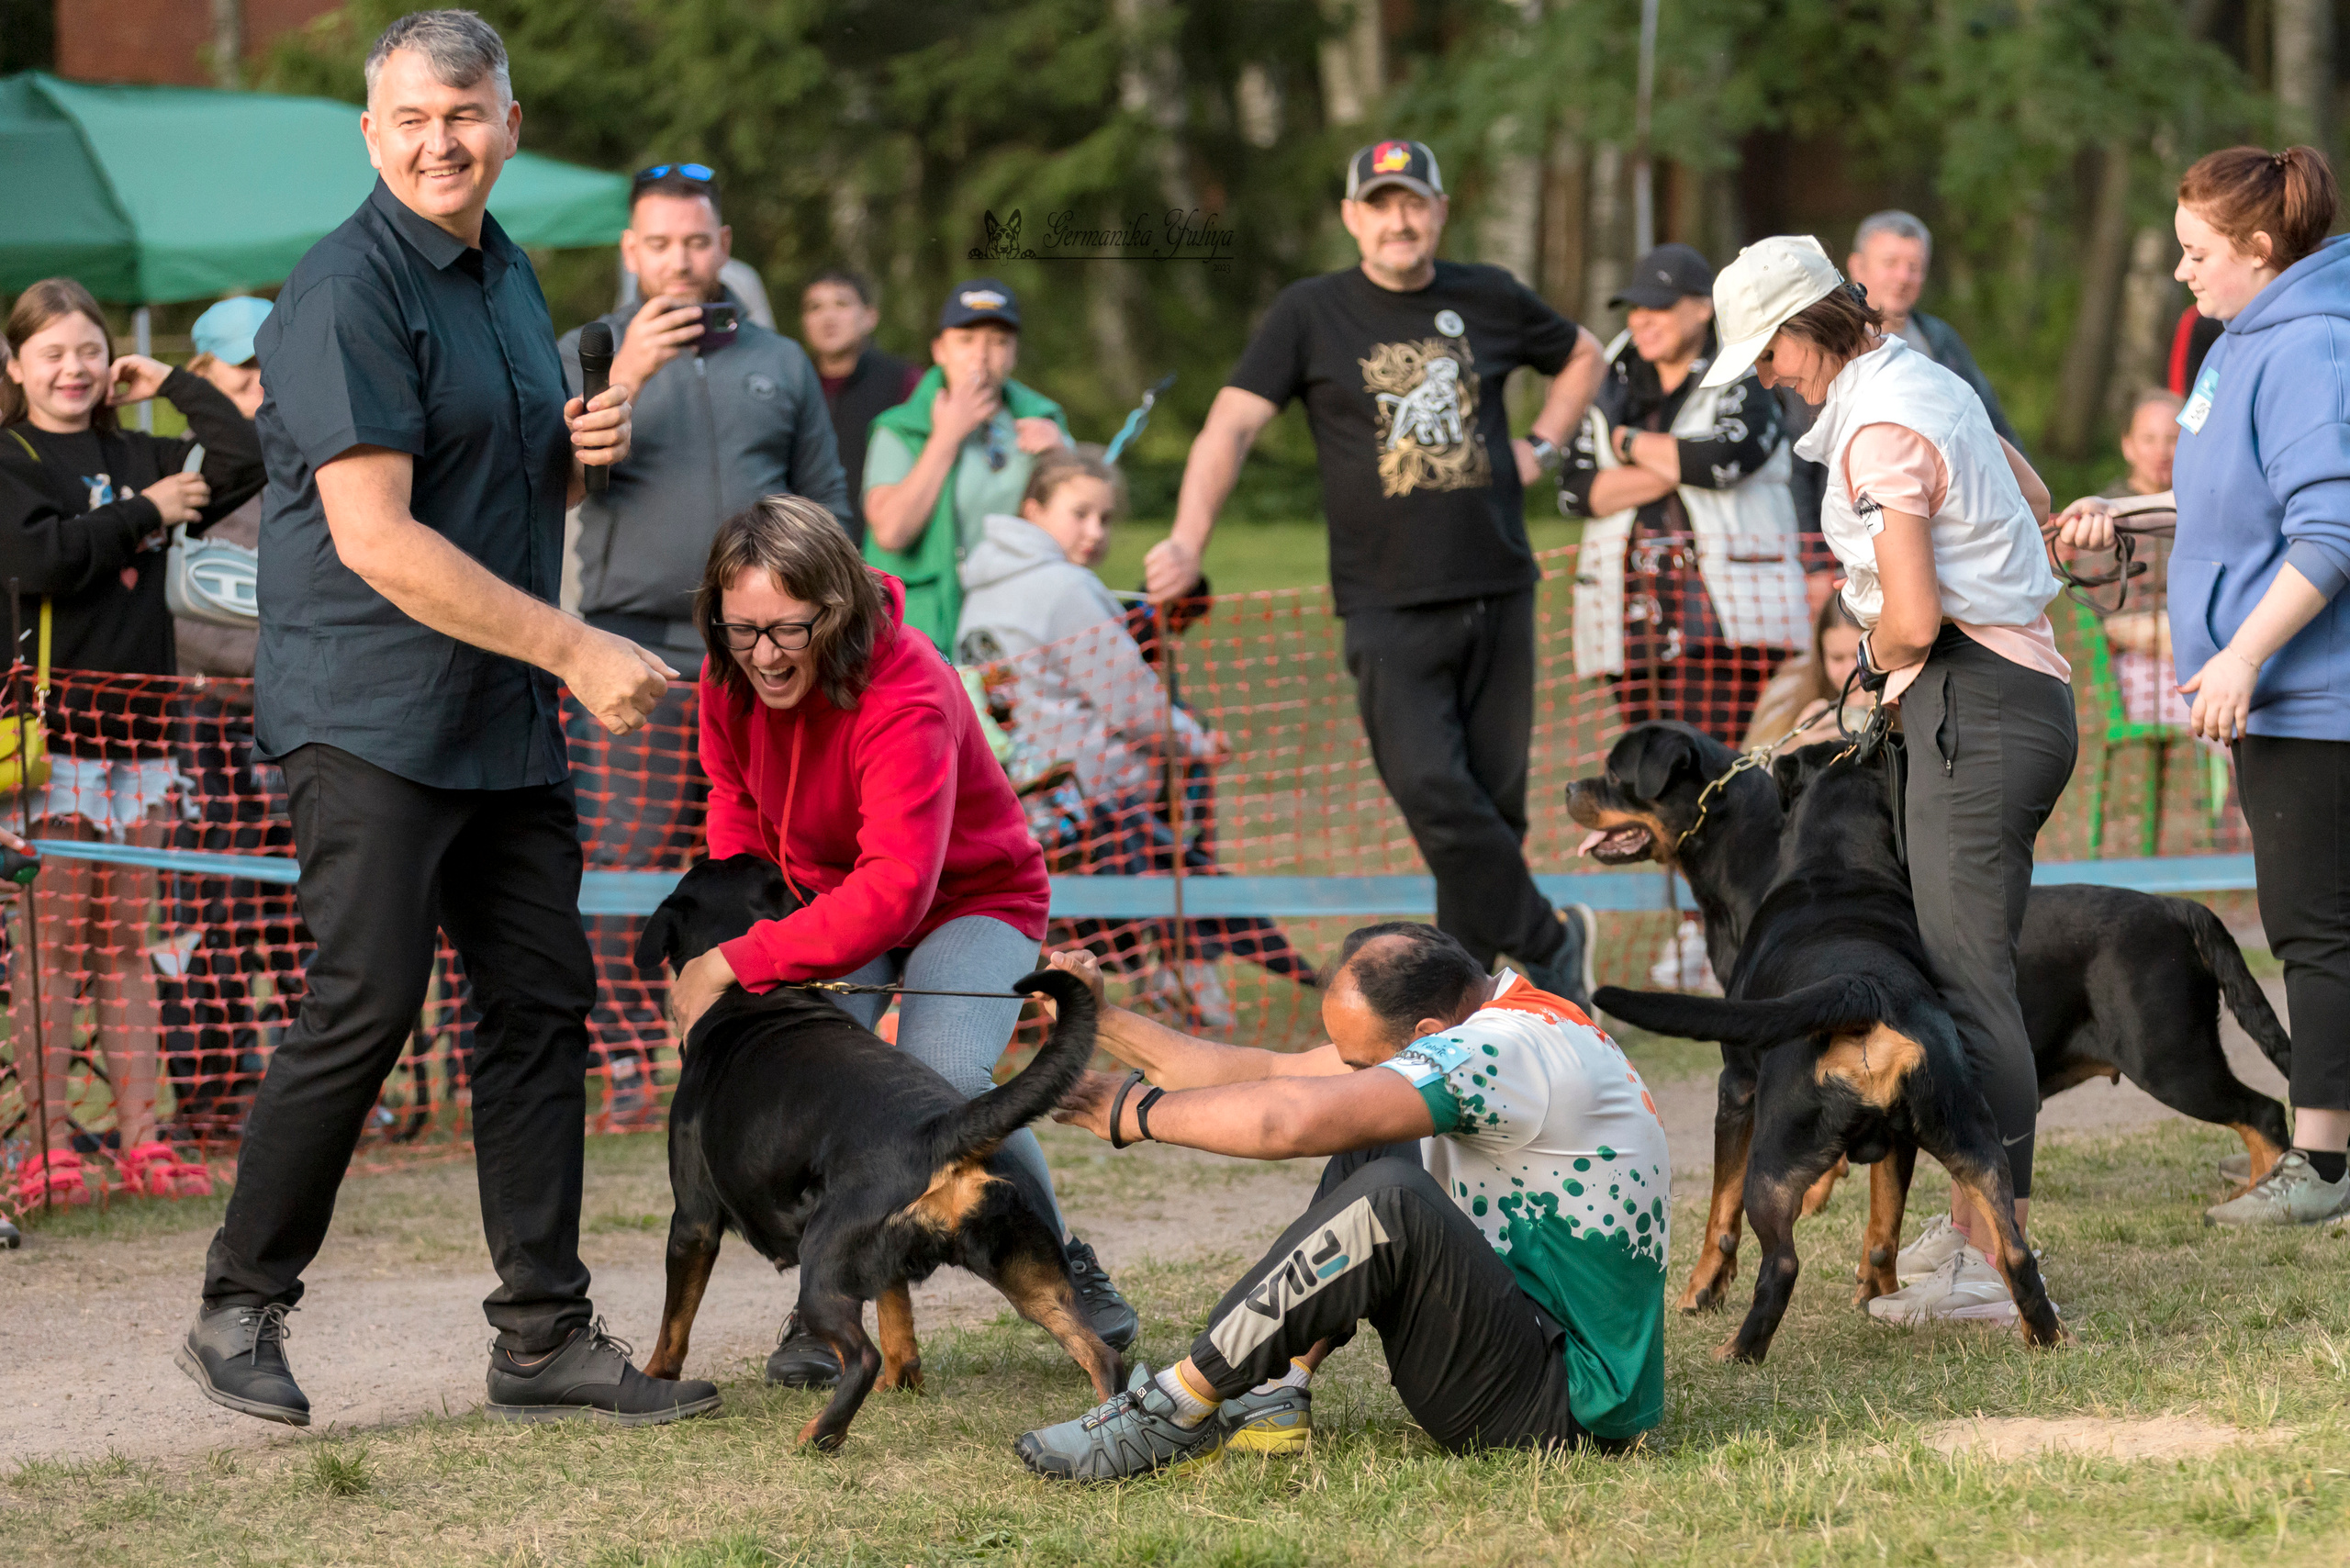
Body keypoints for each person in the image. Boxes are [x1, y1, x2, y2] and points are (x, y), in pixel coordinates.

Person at [182, 11, 715, 1430]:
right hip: (369, 711)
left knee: (540, 1007)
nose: (440, 140)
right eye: (412, 117)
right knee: (365, 1006)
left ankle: (541, 1334)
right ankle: (240, 1302)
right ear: (373, 134)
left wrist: (573, 446)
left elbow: (502, 478)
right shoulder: (345, 287)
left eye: (465, 114)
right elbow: (377, 539)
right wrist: (577, 647)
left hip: (500, 714)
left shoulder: (509, 272)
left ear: (510, 124)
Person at [662, 493, 1138, 1384]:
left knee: (946, 1083)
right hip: (822, 895)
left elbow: (894, 889)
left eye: (786, 630)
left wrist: (737, 959)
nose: (761, 657)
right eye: (739, 631)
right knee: (795, 1075)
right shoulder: (726, 677)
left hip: (968, 898)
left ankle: (1059, 1255)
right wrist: (744, 918)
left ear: (834, 609)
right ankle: (823, 1301)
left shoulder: (907, 682)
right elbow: (730, 800)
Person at [1706, 234, 2072, 1323]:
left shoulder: (1873, 427)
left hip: (1975, 704)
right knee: (1968, 969)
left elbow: (1911, 618)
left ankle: (1985, 1263)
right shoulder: (1925, 376)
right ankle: (1971, 1238)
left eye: (1765, 353)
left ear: (1802, 328)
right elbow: (2032, 485)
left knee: (1969, 984)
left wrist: (1866, 664)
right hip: (2012, 696)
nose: (1766, 376)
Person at [1147, 140, 1606, 1005]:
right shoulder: (1311, 312)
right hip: (1387, 601)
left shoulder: (1490, 294)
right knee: (1436, 790)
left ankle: (1463, 1002)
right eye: (1380, 203)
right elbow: (1230, 426)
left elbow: (1583, 352)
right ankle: (1551, 939)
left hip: (1499, 586)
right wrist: (1186, 538)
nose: (1399, 219)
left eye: (1414, 202)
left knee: (1492, 814)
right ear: (1354, 217)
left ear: (1438, 211)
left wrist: (1543, 445)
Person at [1010, 924, 1668, 1479]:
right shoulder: (1509, 1023)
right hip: (1531, 1343)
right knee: (1377, 1149)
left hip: (1560, 1416)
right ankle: (1274, 1388)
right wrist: (1096, 1017)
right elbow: (1271, 1073)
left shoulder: (1503, 1050)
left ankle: (1173, 1409)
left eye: (1363, 1064)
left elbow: (1288, 1119)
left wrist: (1133, 1112)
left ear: (1428, 1031)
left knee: (1392, 1198)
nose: (1349, 1072)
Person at [2056, 145, 2350, 1226]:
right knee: (2313, 924)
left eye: (2196, 253)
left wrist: (2241, 655)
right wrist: (2118, 512)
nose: (2182, 272)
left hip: (2314, 700)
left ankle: (2323, 1166)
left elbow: (2329, 532)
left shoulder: (2311, 345)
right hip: (2276, 698)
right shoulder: (2239, 344)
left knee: (2315, 931)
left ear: (2260, 252)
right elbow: (2233, 513)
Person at [559, 163, 846, 1121]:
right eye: (657, 244)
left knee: (775, 858)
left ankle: (762, 1045)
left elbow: (828, 505)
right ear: (629, 253)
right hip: (632, 650)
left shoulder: (782, 361)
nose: (677, 262)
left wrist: (832, 626)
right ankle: (626, 1057)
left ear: (723, 247)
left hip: (770, 655)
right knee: (625, 858)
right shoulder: (586, 355)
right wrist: (627, 371)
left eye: (695, 241)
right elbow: (545, 473)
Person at [0, 276, 264, 1208]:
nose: (71, 369)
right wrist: (148, 511)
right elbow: (41, 557)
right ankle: (46, 1145)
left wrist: (173, 385)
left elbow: (245, 458)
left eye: (87, 350)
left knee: (125, 947)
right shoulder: (13, 454)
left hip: (146, 737)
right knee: (53, 950)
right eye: (51, 353)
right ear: (16, 364)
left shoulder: (136, 443)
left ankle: (148, 1139)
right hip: (50, 744)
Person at [956, 446, 1316, 1028]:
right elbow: (1136, 708)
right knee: (1187, 855)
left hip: (1019, 800)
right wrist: (1197, 741)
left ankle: (1188, 972)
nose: (1095, 531)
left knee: (1179, 855)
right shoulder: (1065, 588)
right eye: (1080, 513)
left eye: (1105, 518)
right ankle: (1210, 976)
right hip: (1091, 802)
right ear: (1032, 510)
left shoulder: (982, 586)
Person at [1562, 241, 1807, 744]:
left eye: (1660, 307)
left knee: (1714, 764)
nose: (1642, 321)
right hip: (1628, 620)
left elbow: (1726, 461)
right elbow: (1577, 491)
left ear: (1703, 307)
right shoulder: (1607, 380)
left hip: (1730, 618)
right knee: (1652, 772)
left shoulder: (1747, 370)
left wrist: (1628, 443)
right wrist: (1680, 460)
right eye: (1636, 308)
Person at [162, 296, 297, 1137]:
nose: (260, 389)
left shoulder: (316, 461)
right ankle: (214, 1086)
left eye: (271, 372)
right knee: (205, 911)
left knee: (299, 915)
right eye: (242, 375)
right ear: (206, 376)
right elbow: (184, 614)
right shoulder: (190, 472)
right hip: (201, 723)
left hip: (291, 725)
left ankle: (313, 1088)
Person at [863, 278, 1069, 652]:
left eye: (999, 341)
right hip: (924, 638)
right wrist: (947, 436)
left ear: (1014, 353)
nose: (982, 356)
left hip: (1021, 629)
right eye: (966, 340)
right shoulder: (899, 429)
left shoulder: (1042, 421)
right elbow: (891, 532)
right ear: (939, 350)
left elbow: (1083, 534)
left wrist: (1062, 461)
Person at [1846, 211, 2022, 446]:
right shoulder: (1832, 344)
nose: (1903, 277)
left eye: (1914, 267)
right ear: (1857, 266)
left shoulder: (1940, 341)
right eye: (1890, 263)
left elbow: (1992, 427)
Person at [801, 268, 922, 545]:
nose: (828, 317)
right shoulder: (790, 384)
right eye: (815, 307)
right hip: (808, 553)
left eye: (841, 304)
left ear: (870, 316)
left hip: (883, 549)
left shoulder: (905, 382)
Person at [1743, 591, 1864, 752]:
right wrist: (1797, 745)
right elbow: (1753, 766)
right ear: (1821, 656)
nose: (1850, 671)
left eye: (1860, 656)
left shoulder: (1904, 691)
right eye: (1837, 658)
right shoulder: (1789, 690)